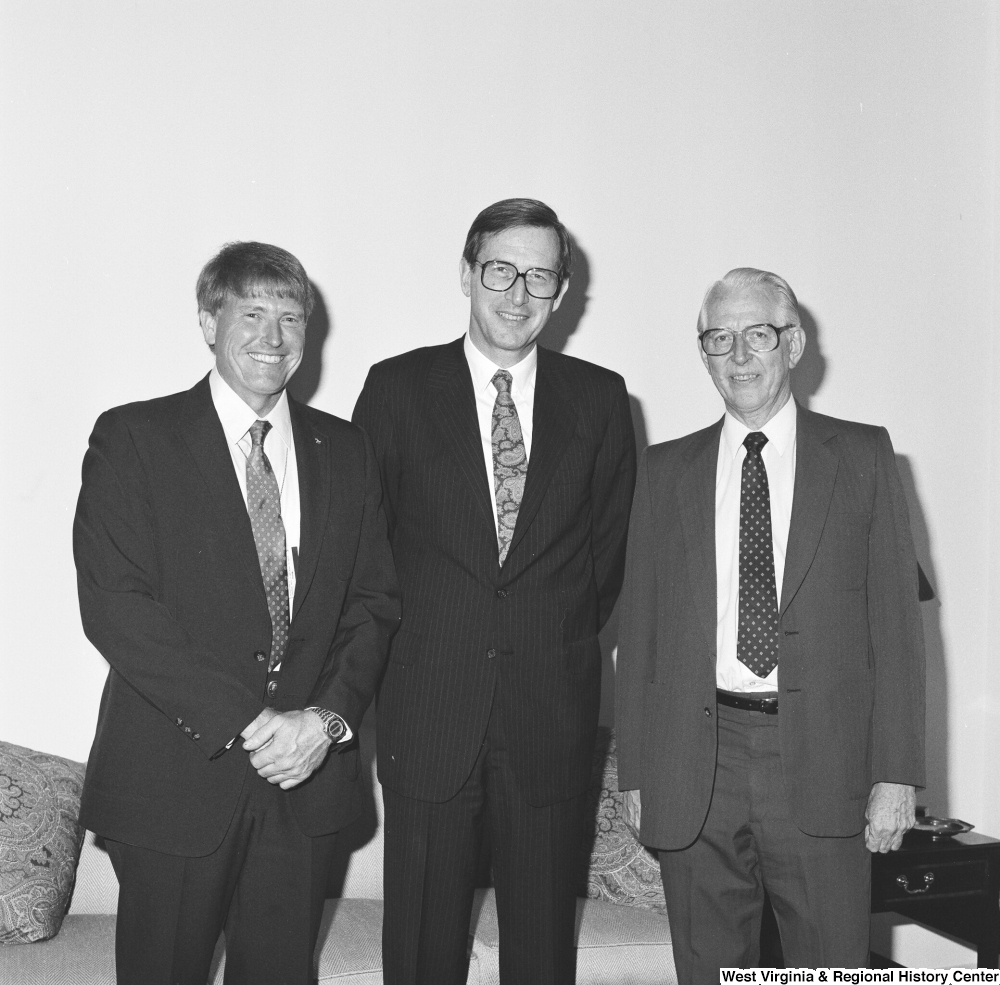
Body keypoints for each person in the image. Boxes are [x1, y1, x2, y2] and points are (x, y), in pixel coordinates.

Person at [73, 241, 400, 985]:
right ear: (206, 319)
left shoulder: (347, 450)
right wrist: (249, 722)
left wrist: (325, 720)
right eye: (251, 313)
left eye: (291, 317)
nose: (273, 337)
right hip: (176, 783)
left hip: (304, 786)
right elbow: (115, 605)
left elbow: (374, 604)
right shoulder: (134, 439)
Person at [353, 198, 636, 985]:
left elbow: (606, 561)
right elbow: (363, 554)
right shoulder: (397, 389)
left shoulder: (602, 399)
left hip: (550, 718)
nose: (518, 294)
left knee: (542, 953)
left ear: (562, 289)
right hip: (429, 712)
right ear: (467, 274)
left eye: (539, 275)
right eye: (501, 270)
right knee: (420, 952)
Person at [615, 267, 925, 978]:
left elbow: (898, 631)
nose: (740, 355)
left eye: (758, 334)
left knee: (827, 967)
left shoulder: (863, 456)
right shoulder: (665, 471)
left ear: (795, 344)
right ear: (703, 353)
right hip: (699, 761)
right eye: (719, 338)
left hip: (825, 763)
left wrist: (897, 773)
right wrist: (637, 768)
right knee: (709, 967)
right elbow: (642, 634)